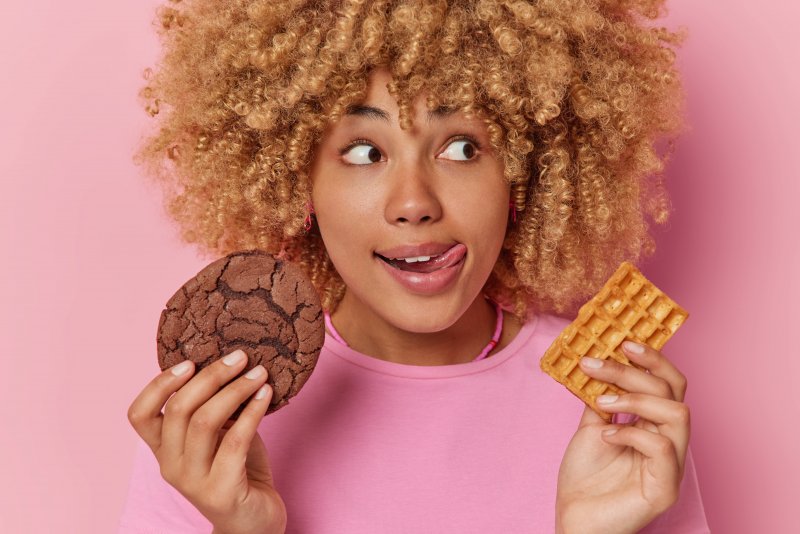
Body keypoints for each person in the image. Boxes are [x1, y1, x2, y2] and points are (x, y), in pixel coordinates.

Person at [120, 0, 710, 532]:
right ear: (298, 179)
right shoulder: (219, 426)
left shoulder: (614, 412)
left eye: (462, 148)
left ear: (527, 173)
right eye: (364, 152)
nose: (414, 204)